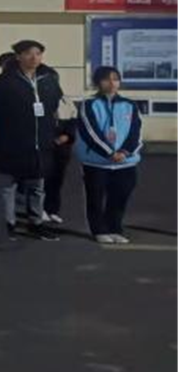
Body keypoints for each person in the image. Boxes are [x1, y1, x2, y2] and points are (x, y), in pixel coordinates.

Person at [0, 40, 63, 241]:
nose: (34, 57)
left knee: (37, 186)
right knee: (9, 186)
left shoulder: (49, 79)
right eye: (28, 53)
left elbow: (56, 107)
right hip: (12, 142)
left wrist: (53, 133)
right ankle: (8, 224)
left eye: (38, 53)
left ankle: (36, 223)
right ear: (18, 56)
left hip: (41, 143)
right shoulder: (4, 81)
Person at [75, 66, 143, 244]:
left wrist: (124, 152)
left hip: (125, 163)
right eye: (106, 79)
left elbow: (135, 133)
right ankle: (99, 230)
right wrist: (109, 153)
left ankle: (115, 228)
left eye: (115, 79)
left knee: (119, 197)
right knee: (95, 198)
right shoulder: (88, 105)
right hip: (97, 162)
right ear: (98, 82)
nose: (112, 83)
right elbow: (90, 132)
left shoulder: (130, 105)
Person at [43, 96, 77, 225]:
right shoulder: (37, 99)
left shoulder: (67, 102)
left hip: (62, 150)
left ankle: (52, 210)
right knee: (41, 181)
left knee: (56, 181)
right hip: (44, 147)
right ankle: (39, 210)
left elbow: (73, 123)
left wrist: (67, 136)